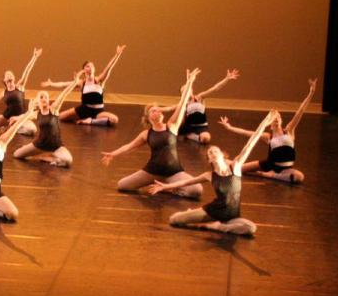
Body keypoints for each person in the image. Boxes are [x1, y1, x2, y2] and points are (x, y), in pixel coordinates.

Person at [151, 110, 277, 235]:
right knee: (174, 219)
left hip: (232, 216)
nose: (212, 152)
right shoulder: (209, 175)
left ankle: (214, 226)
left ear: (222, 155)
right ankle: (205, 220)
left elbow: (250, 144)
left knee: (250, 228)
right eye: (210, 153)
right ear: (209, 159)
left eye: (215, 151)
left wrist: (264, 123)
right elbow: (186, 182)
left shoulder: (235, 167)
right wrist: (165, 187)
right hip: (213, 211)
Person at [101, 69, 203, 198]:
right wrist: (113, 154)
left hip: (173, 172)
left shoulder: (172, 126)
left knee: (197, 190)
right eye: (153, 111)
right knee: (122, 185)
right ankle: (161, 184)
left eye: (159, 110)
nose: (158, 111)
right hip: (152, 171)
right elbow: (129, 146)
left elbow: (182, 105)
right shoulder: (146, 134)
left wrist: (189, 83)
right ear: (148, 118)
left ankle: (170, 187)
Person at [220, 78, 317, 184]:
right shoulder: (268, 136)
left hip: (286, 169)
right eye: (274, 118)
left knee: (299, 177)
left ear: (281, 120)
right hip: (269, 164)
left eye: (278, 117)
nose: (276, 119)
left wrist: (311, 93)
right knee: (236, 168)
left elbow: (300, 111)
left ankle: (270, 175)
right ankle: (225, 161)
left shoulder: (289, 130)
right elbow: (246, 132)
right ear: (270, 124)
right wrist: (229, 127)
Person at [42, 44, 125, 125]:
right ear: (84, 70)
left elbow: (109, 68)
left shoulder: (99, 80)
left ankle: (89, 121)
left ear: (94, 69)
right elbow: (64, 84)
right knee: (59, 117)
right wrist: (51, 83)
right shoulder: (82, 83)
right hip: (84, 110)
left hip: (98, 112)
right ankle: (84, 118)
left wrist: (117, 55)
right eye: (88, 66)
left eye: (92, 66)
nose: (90, 67)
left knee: (114, 119)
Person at [12, 72, 82, 167]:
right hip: (40, 144)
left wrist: (74, 82)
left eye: (46, 97)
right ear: (38, 101)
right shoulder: (37, 113)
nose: (44, 99)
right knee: (17, 155)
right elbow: (24, 117)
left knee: (68, 161)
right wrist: (14, 118)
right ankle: (42, 155)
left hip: (56, 145)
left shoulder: (54, 109)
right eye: (41, 97)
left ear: (48, 100)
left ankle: (45, 157)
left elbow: (64, 94)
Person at [0, 47, 42, 135]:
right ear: (4, 80)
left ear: (14, 78)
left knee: (32, 130)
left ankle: (11, 127)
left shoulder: (20, 86)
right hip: (7, 116)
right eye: (7, 75)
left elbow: (27, 71)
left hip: (20, 117)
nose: (10, 75)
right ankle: (8, 126)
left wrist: (34, 57)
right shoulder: (4, 93)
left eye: (11, 74)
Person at [180, 68, 240, 143]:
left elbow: (215, 88)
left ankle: (190, 136)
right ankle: (189, 135)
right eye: (183, 91)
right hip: (189, 126)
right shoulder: (183, 103)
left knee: (206, 138)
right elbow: (182, 118)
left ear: (191, 90)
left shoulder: (199, 97)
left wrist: (226, 79)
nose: (185, 92)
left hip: (201, 126)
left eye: (186, 90)